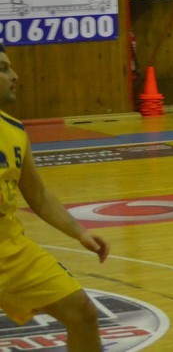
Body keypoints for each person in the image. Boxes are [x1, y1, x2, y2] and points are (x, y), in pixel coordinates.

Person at [0, 42, 110, 351]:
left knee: (82, 313)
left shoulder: (13, 131)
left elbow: (38, 194)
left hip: (10, 249)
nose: (15, 76)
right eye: (3, 69)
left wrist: (80, 233)